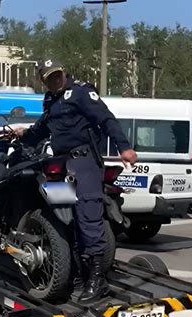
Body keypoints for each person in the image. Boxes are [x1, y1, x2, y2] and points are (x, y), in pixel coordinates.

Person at [14, 59, 137, 303]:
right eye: (49, 77)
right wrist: (23, 136)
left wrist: (125, 148)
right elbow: (43, 127)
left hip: (84, 163)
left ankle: (97, 280)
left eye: (57, 74)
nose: (55, 79)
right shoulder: (51, 99)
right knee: (66, 219)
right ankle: (79, 273)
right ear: (43, 81)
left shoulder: (80, 92)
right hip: (61, 165)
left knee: (88, 218)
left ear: (64, 72)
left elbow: (106, 119)